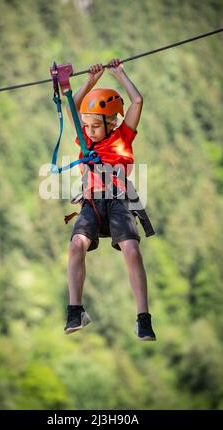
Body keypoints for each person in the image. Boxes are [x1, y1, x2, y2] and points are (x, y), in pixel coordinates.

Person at [64, 58, 156, 341]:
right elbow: (71, 106)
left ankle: (143, 318)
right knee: (76, 245)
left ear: (112, 122)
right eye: (86, 126)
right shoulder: (84, 140)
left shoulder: (123, 137)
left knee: (131, 250)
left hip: (118, 201)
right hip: (92, 202)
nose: (88, 131)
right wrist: (90, 81)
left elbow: (137, 101)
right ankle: (75, 310)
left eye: (94, 126)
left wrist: (119, 74)